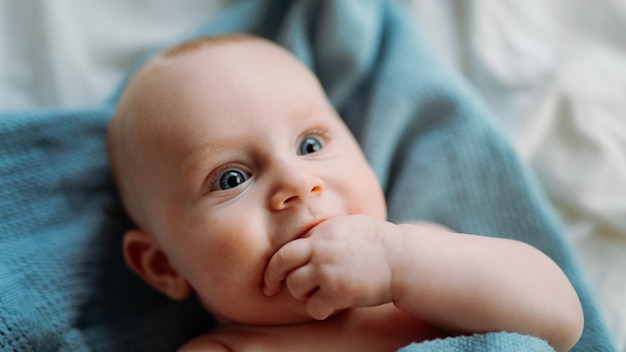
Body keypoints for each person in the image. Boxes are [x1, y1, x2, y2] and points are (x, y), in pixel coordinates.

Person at [107, 34, 583, 351]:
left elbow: (561, 320)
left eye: (310, 144)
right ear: (163, 265)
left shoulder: (423, 260)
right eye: (232, 179)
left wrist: (402, 260)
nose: (296, 183)